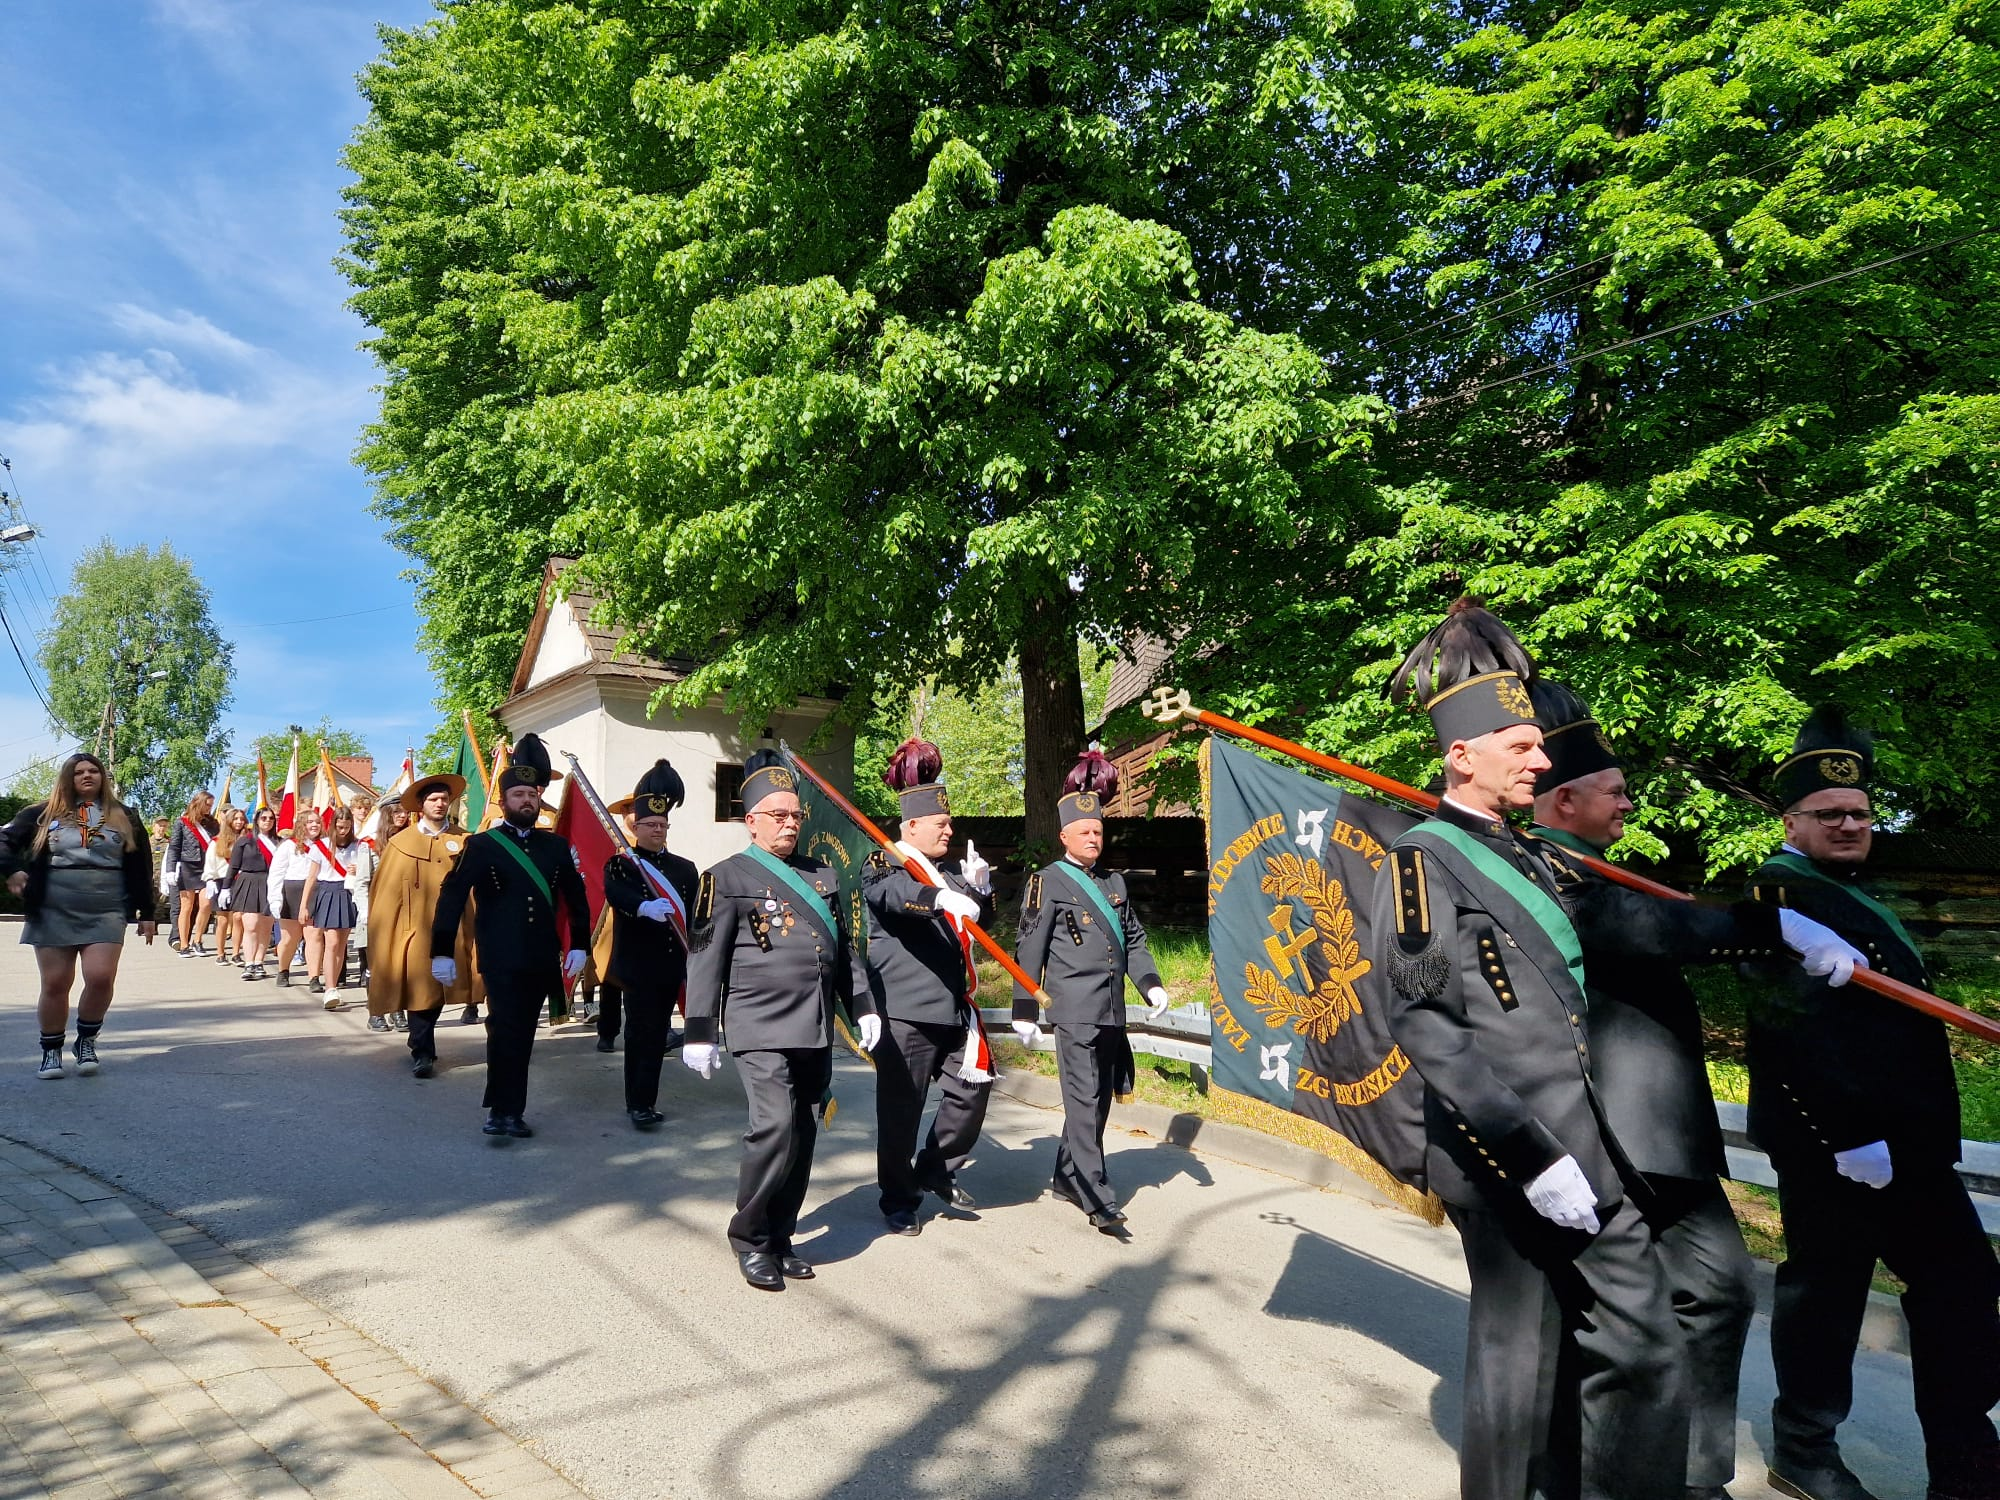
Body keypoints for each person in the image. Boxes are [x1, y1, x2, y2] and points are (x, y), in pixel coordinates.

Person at [1371, 599, 1688, 1500]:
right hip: (1512, 1156)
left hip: (1594, 1146)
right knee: (1522, 1368)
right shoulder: (1421, 862)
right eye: (1523, 747)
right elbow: (1428, 1023)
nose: (1544, 759)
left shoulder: (1528, 853)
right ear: (1462, 756)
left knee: (1636, 1343)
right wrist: (1530, 1157)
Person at [1525, 678, 1866, 1500]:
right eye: (1614, 792)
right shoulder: (1538, 870)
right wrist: (1769, 926)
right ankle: (1574, 1473)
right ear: (1564, 799)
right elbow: (1645, 930)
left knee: (1716, 1289)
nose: (1628, 804)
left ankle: (1690, 1477)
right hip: (1591, 1131)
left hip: (1662, 1130)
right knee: (1601, 1322)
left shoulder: (1603, 866)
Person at [1744, 707, 2000, 1500]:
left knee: (1960, 1288)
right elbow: (1789, 1024)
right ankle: (1805, 1446)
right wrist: (1849, 1136)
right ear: (1793, 820)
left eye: (1859, 813)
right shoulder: (1773, 892)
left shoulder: (1859, 894)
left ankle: (1966, 1468)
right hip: (1838, 1145)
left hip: (1912, 1145)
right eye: (1830, 815)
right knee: (1828, 1291)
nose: (1850, 824)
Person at [683, 749, 879, 1289]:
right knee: (773, 1126)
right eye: (778, 815)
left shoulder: (822, 876)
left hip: (813, 1025)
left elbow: (843, 951)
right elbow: (704, 956)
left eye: (795, 815)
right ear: (751, 820)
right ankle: (749, 1238)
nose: (790, 824)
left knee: (803, 1130)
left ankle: (781, 1234)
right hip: (759, 1025)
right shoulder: (722, 878)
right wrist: (700, 1030)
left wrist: (861, 1006)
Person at [1011, 751, 1171, 1233]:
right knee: (1082, 1100)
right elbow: (1028, 946)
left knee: (1099, 1099)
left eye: (1098, 831)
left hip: (1112, 1009)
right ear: (1064, 836)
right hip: (1073, 1009)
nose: (1093, 838)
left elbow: (1135, 940)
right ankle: (1096, 1195)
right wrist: (1024, 1007)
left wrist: (1151, 983)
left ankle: (1065, 1174)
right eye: (1084, 832)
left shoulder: (1115, 882)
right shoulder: (1047, 882)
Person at [430, 735, 590, 1140]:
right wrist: (441, 952)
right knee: (504, 1028)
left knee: (522, 1034)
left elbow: (576, 898)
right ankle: (503, 1112)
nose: (526, 801)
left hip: (540, 957)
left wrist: (581, 945)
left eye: (532, 794)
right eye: (518, 794)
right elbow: (451, 897)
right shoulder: (481, 845)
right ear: (504, 802)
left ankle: (507, 1107)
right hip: (500, 956)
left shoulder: (555, 846)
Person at [867, 737, 996, 1235]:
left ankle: (934, 1169)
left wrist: (981, 890)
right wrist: (940, 898)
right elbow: (896, 896)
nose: (949, 829)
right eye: (940, 824)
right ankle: (898, 1199)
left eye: (949, 822)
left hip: (952, 1007)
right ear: (912, 826)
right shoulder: (885, 862)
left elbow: (979, 921)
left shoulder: (947, 875)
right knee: (902, 1110)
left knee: (972, 1089)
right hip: (905, 1009)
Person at [0, 753, 157, 1079]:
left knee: (100, 977)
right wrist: (12, 870)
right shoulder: (42, 813)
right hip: (53, 908)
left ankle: (86, 1039)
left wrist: (147, 912)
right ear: (68, 778)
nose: (87, 776)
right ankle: (51, 1049)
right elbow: (3, 840)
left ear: (103, 777)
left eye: (93, 771)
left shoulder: (125, 815)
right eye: (79, 772)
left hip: (107, 908)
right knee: (56, 983)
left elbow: (141, 866)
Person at [600, 759, 699, 1129]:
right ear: (636, 826)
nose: (657, 830)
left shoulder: (684, 868)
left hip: (673, 964)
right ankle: (638, 1104)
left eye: (662, 825)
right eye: (650, 825)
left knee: (658, 1036)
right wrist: (642, 905)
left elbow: (696, 913)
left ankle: (648, 1098)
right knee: (640, 1036)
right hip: (640, 967)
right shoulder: (622, 864)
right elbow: (614, 893)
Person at [366, 775, 481, 1065]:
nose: (440, 803)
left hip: (457, 928)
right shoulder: (400, 844)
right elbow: (385, 895)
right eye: (433, 799)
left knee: (452, 985)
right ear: (421, 805)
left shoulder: (464, 840)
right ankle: (422, 1050)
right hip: (415, 929)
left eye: (444, 798)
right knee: (421, 988)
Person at [301, 807, 362, 1011]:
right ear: (333, 825)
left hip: (348, 893)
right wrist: (304, 905)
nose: (343, 830)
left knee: (342, 944)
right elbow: (311, 878)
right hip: (328, 891)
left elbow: (368, 871)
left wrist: (359, 869)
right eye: (339, 826)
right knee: (332, 942)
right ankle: (329, 988)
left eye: (347, 827)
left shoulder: (359, 845)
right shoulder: (321, 846)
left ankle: (334, 986)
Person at [227, 806, 279, 980]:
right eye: (264, 818)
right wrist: (226, 888)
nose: (267, 821)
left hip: (270, 883)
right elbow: (233, 866)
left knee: (265, 926)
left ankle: (259, 962)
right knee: (250, 925)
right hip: (249, 882)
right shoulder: (245, 841)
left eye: (271, 818)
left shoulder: (279, 843)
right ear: (257, 820)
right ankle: (248, 963)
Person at [268, 811, 317, 987]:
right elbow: (276, 873)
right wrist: (275, 899)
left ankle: (314, 977)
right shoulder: (288, 845)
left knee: (314, 936)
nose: (314, 825)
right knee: (290, 938)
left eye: (317, 822)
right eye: (310, 822)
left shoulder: (323, 846)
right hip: (292, 892)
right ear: (301, 824)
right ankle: (283, 970)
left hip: (315, 892)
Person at [168, 790, 217, 955]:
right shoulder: (182, 822)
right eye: (207, 804)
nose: (210, 808)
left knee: (206, 904)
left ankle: (197, 940)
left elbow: (218, 843)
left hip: (207, 867)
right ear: (199, 802)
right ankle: (183, 944)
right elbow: (174, 847)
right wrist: (170, 869)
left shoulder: (213, 823)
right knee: (186, 907)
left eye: (211, 805)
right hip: (188, 867)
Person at [204, 811, 242, 966]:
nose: (239, 821)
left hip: (240, 881)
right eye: (236, 818)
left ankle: (236, 953)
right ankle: (220, 953)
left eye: (241, 819)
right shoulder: (216, 841)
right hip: (221, 880)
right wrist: (210, 879)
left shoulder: (245, 840)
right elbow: (210, 862)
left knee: (238, 918)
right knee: (223, 919)